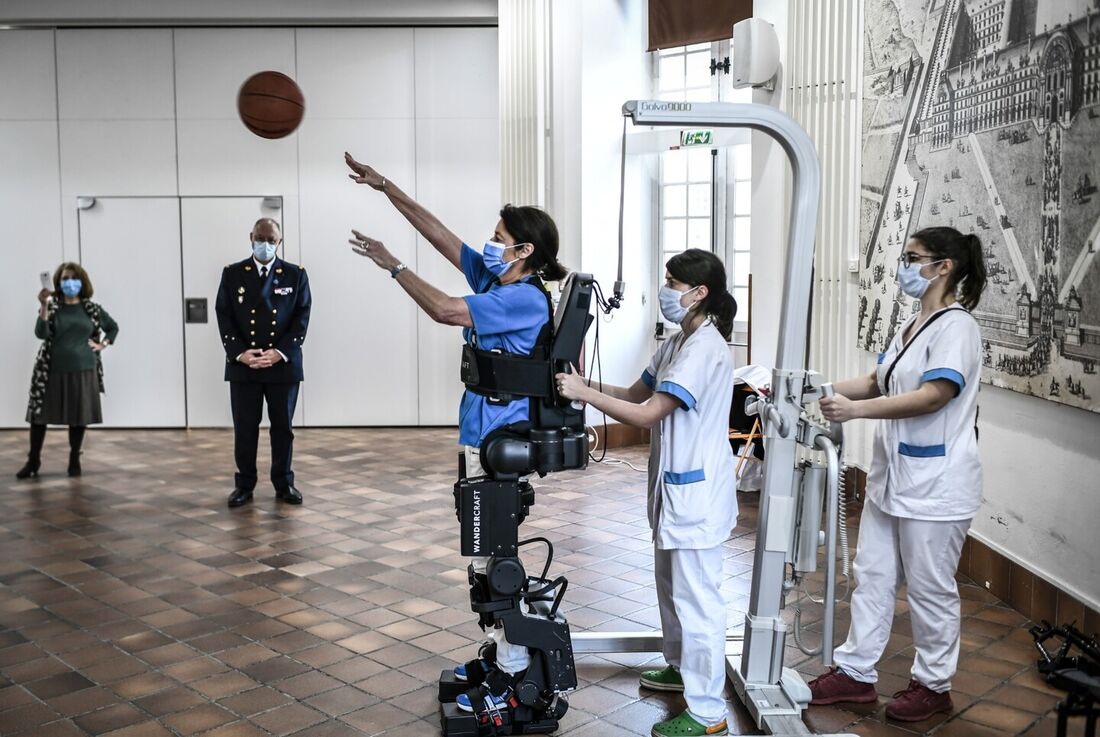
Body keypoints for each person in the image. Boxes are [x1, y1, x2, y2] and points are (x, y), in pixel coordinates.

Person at [343, 151, 569, 714]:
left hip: (497, 436)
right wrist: (385, 186)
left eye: (500, 237)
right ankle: (499, 658)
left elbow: (445, 310)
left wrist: (394, 266)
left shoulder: (520, 297)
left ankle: (513, 680)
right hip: (480, 431)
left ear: (525, 250)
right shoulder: (499, 279)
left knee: (494, 557)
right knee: (484, 556)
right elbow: (444, 238)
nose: (489, 244)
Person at [557, 248, 737, 737]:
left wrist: (584, 396)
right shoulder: (680, 341)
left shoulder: (705, 349)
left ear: (699, 293)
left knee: (698, 599)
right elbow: (635, 393)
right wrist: (577, 382)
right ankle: (681, 667)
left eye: (673, 283)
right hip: (674, 491)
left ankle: (706, 712)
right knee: (671, 587)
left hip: (697, 496)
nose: (667, 290)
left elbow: (647, 415)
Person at [809, 226, 987, 722]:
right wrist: (813, 390)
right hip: (893, 479)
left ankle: (933, 685)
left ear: (944, 266)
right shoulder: (912, 326)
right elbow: (875, 380)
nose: (904, 267)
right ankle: (856, 674)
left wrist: (856, 413)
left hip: (937, 484)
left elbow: (936, 394)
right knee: (873, 575)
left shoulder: (957, 327)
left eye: (914, 258)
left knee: (930, 588)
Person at [216, 218, 312, 508]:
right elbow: (225, 315)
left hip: (282, 366)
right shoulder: (233, 274)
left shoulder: (295, 275)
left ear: (279, 242)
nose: (265, 244)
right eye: (260, 238)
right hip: (244, 365)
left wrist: (280, 352)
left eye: (271, 239)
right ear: (251, 237)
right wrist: (240, 353)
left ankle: (284, 482)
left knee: (283, 428)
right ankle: (244, 484)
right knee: (245, 428)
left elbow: (301, 318)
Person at [18, 263, 119, 479]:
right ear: (58, 283)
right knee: (39, 416)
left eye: (73, 278)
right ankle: (33, 460)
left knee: (78, 416)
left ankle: (74, 459)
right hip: (51, 370)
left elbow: (112, 327)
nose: (69, 282)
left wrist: (103, 344)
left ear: (82, 282)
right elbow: (41, 333)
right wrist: (44, 305)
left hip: (83, 370)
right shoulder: (53, 307)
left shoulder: (91, 309)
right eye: (65, 278)